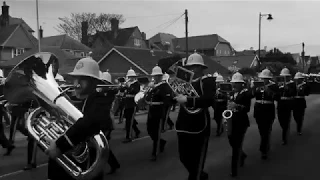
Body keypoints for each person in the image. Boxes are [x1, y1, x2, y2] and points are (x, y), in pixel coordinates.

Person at [46, 57, 114, 180]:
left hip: (85, 167)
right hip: (62, 167)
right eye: (75, 78)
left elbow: (90, 122)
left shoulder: (100, 101)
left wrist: (60, 145)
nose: (76, 83)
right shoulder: (70, 101)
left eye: (82, 80)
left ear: (93, 82)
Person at [174, 53, 215, 180]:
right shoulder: (184, 82)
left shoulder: (207, 81)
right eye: (189, 67)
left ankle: (196, 176)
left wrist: (188, 99)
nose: (191, 69)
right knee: (183, 157)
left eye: (195, 66)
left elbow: (208, 100)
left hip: (199, 123)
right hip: (183, 123)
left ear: (201, 68)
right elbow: (174, 98)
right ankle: (199, 175)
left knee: (197, 159)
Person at [145, 66, 174, 161]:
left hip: (159, 111)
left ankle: (155, 153)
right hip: (151, 110)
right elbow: (148, 98)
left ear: (160, 76)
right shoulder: (153, 86)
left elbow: (168, 100)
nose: (155, 78)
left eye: (157, 76)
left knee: (156, 132)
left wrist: (156, 90)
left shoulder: (165, 86)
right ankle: (161, 142)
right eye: (154, 76)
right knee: (150, 130)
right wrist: (148, 91)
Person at [226, 72, 252, 177]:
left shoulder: (245, 94)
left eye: (237, 83)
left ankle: (234, 169)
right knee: (232, 142)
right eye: (234, 83)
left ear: (242, 84)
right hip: (232, 120)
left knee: (236, 146)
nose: (234, 85)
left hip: (241, 122)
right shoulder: (231, 94)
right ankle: (242, 155)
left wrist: (236, 105)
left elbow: (247, 109)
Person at [251, 68, 278, 159]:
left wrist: (269, 91)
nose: (264, 80)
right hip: (259, 109)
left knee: (266, 130)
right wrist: (253, 88)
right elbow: (252, 95)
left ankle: (263, 150)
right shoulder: (257, 85)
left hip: (268, 109)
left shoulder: (273, 86)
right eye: (263, 78)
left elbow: (277, 97)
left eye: (266, 78)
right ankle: (266, 145)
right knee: (261, 130)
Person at [99, 70, 121, 174]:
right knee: (103, 146)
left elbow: (110, 109)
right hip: (103, 121)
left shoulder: (110, 94)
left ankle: (111, 165)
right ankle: (114, 164)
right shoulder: (104, 93)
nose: (102, 85)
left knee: (102, 146)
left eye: (104, 83)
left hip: (107, 122)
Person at [276, 68, 297, 145]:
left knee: (286, 120)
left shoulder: (292, 84)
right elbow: (277, 95)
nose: (284, 78)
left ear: (288, 77)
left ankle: (284, 137)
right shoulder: (279, 84)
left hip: (288, 103)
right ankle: (285, 129)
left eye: (286, 76)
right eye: (283, 77)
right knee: (281, 120)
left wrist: (286, 88)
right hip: (280, 103)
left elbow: (293, 93)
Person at [122, 68, 141, 143]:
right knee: (129, 120)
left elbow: (135, 91)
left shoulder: (136, 84)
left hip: (132, 104)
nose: (130, 78)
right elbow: (122, 90)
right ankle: (137, 131)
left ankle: (128, 136)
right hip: (127, 104)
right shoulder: (128, 83)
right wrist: (123, 86)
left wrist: (128, 87)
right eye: (129, 77)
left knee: (129, 122)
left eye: (131, 77)